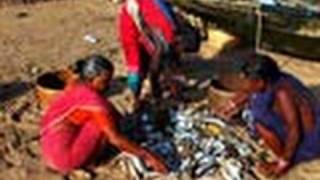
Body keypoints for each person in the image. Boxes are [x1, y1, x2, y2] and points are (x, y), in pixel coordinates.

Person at [40, 55, 168, 174]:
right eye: (105, 81)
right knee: (102, 124)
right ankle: (92, 162)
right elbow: (115, 138)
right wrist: (149, 156)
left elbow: (107, 108)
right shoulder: (95, 102)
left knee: (105, 116)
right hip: (63, 159)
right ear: (93, 79)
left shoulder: (76, 85)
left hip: (48, 147)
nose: (108, 85)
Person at [215, 54, 320, 176]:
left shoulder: (283, 94)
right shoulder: (271, 79)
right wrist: (232, 104)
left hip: (308, 142)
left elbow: (294, 130)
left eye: (247, 80)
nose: (244, 83)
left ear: (260, 81)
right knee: (256, 108)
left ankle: (287, 159)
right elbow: (250, 90)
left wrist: (283, 162)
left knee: (259, 123)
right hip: (300, 130)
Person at [118, 0, 180, 108]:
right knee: (152, 68)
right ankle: (143, 95)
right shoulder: (132, 9)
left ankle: (149, 94)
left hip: (160, 40)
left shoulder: (137, 8)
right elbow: (130, 42)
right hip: (155, 39)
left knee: (158, 67)